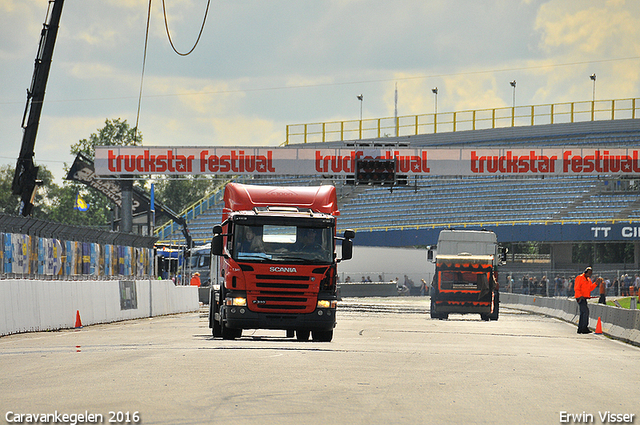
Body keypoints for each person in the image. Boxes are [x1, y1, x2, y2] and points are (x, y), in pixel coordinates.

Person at [574, 267, 601, 334]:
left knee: (583, 313)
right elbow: (576, 288)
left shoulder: (588, 280)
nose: (590, 274)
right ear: (586, 272)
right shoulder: (580, 277)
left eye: (591, 273)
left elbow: (590, 288)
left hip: (585, 298)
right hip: (580, 298)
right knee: (586, 311)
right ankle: (584, 328)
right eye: (589, 273)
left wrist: (596, 283)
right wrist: (580, 296)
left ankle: (580, 328)